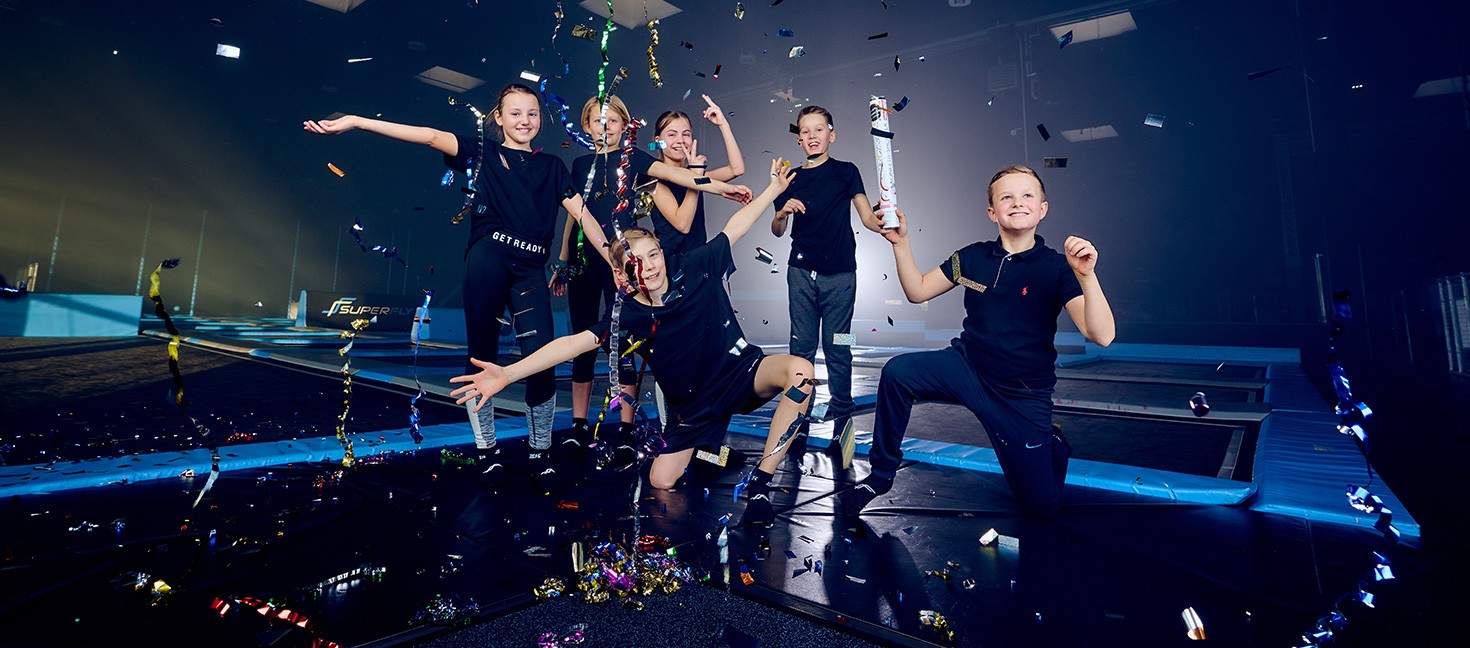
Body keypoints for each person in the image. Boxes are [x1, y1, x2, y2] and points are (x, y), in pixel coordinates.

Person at [453, 159, 810, 524]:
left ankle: (761, 484)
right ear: (623, 276)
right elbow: (572, 345)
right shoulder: (629, 316)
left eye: (653, 255)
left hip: (741, 373)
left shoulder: (696, 265)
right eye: (636, 262)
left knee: (801, 373)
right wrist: (507, 374)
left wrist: (773, 191)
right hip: (693, 409)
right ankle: (710, 452)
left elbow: (736, 226)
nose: (650, 266)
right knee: (660, 481)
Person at [303, 83, 620, 490]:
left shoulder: (554, 168)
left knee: (540, 360)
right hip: (488, 262)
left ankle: (541, 453)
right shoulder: (482, 151)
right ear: (499, 118)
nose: (525, 121)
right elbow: (431, 135)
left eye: (533, 113)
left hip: (529, 272)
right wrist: (357, 122)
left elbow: (585, 217)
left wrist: (614, 258)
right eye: (516, 113)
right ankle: (486, 451)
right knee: (481, 359)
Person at [844, 164, 1116, 517]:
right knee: (898, 373)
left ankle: (1053, 444)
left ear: (1043, 209)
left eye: (1027, 196)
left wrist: (1087, 276)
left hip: (1020, 394)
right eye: (1007, 197)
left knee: (1039, 507)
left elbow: (1102, 335)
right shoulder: (970, 258)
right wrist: (902, 243)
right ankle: (880, 475)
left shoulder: (1057, 268)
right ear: (992, 212)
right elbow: (918, 290)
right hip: (966, 367)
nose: (1018, 203)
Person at [554, 95, 750, 459]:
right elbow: (575, 214)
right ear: (585, 127)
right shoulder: (582, 166)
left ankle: (636, 428)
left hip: (635, 264)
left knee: (634, 345)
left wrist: (720, 181)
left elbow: (695, 175)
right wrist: (563, 260)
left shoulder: (637, 162)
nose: (604, 127)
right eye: (597, 121)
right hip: (599, 262)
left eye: (612, 121)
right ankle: (580, 425)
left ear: (624, 127)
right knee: (585, 337)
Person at [771, 106, 886, 427]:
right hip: (800, 274)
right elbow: (777, 230)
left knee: (840, 343)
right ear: (798, 140)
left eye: (818, 130)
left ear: (831, 135)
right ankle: (798, 412)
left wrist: (886, 225)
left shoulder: (847, 171)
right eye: (805, 132)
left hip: (842, 276)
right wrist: (781, 213)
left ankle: (843, 408)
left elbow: (866, 217)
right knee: (801, 346)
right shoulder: (790, 177)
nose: (812, 137)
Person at [647, 94, 746, 255]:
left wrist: (723, 124)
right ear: (658, 140)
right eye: (672, 134)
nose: (680, 140)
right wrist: (695, 177)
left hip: (700, 259)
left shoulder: (697, 174)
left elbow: (736, 169)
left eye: (686, 134)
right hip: (671, 265)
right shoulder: (651, 180)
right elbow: (682, 224)